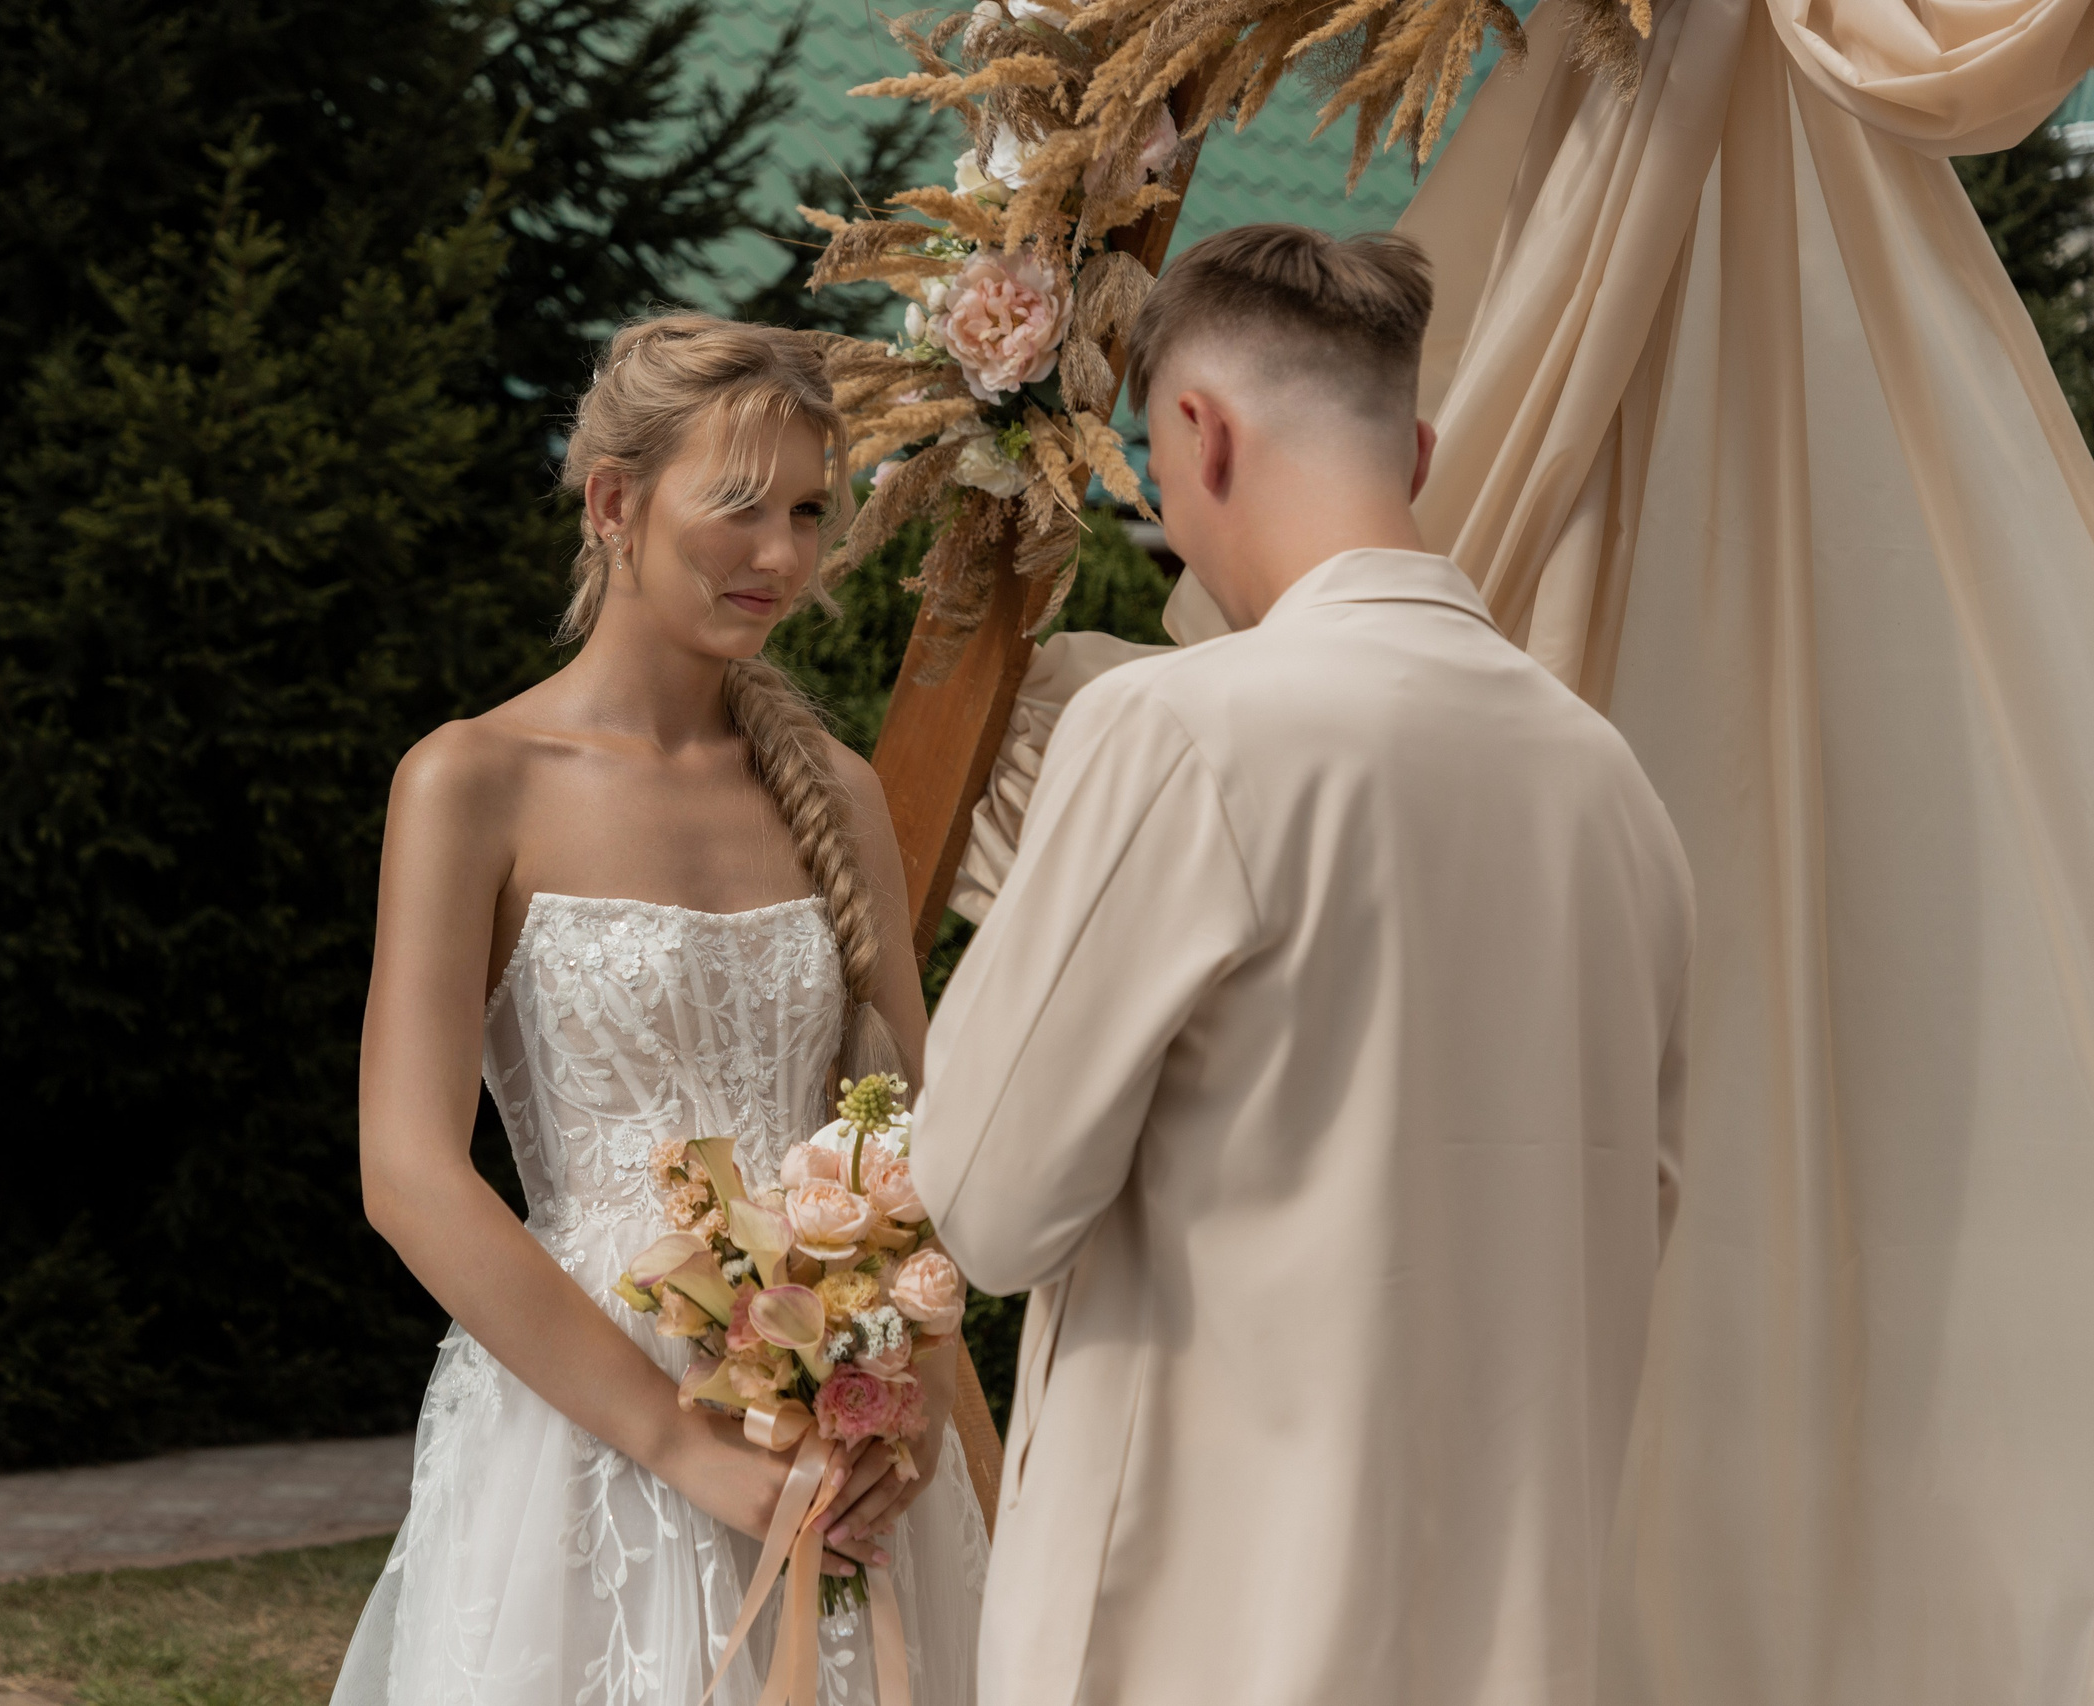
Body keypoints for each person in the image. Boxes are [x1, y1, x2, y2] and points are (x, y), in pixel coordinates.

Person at [908, 225, 1695, 1705]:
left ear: (1197, 432)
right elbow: (1627, 1219)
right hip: (1509, 1632)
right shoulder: (1615, 791)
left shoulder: (1178, 730)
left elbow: (988, 1203)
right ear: (1418, 443)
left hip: (1201, 1624)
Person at [332, 315, 987, 1706]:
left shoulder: (841, 795)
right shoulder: (471, 781)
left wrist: (903, 1421)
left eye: (811, 510)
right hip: (584, 1439)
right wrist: (684, 1446)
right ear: (615, 501)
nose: (784, 556)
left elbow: (919, 1147)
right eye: (740, 504)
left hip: (838, 1425)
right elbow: (407, 1173)